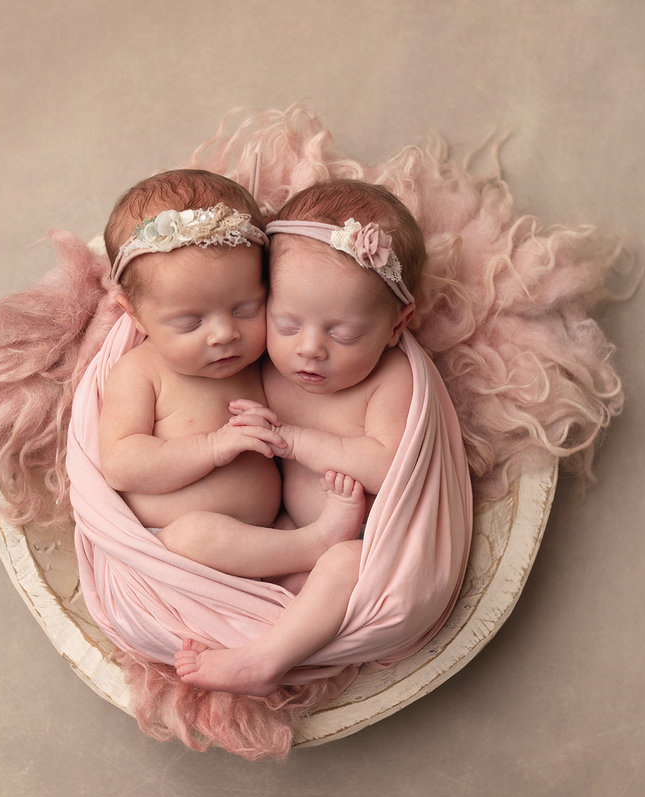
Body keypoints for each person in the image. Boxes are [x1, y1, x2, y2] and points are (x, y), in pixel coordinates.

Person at [172, 179, 426, 696]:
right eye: (287, 325)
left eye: (343, 333)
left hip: (366, 547)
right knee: (190, 536)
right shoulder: (265, 364)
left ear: (396, 326)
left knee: (343, 565)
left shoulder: (390, 376)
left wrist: (293, 440)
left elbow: (387, 467)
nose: (309, 349)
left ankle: (263, 663)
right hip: (294, 537)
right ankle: (275, 604)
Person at [98, 169, 365, 569]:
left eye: (245, 309)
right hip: (175, 547)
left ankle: (300, 558)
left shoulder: (265, 361)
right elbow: (121, 465)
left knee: (344, 574)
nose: (225, 334)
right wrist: (211, 447)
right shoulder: (140, 370)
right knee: (196, 533)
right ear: (134, 314)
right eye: (190, 322)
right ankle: (313, 544)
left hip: (269, 538)